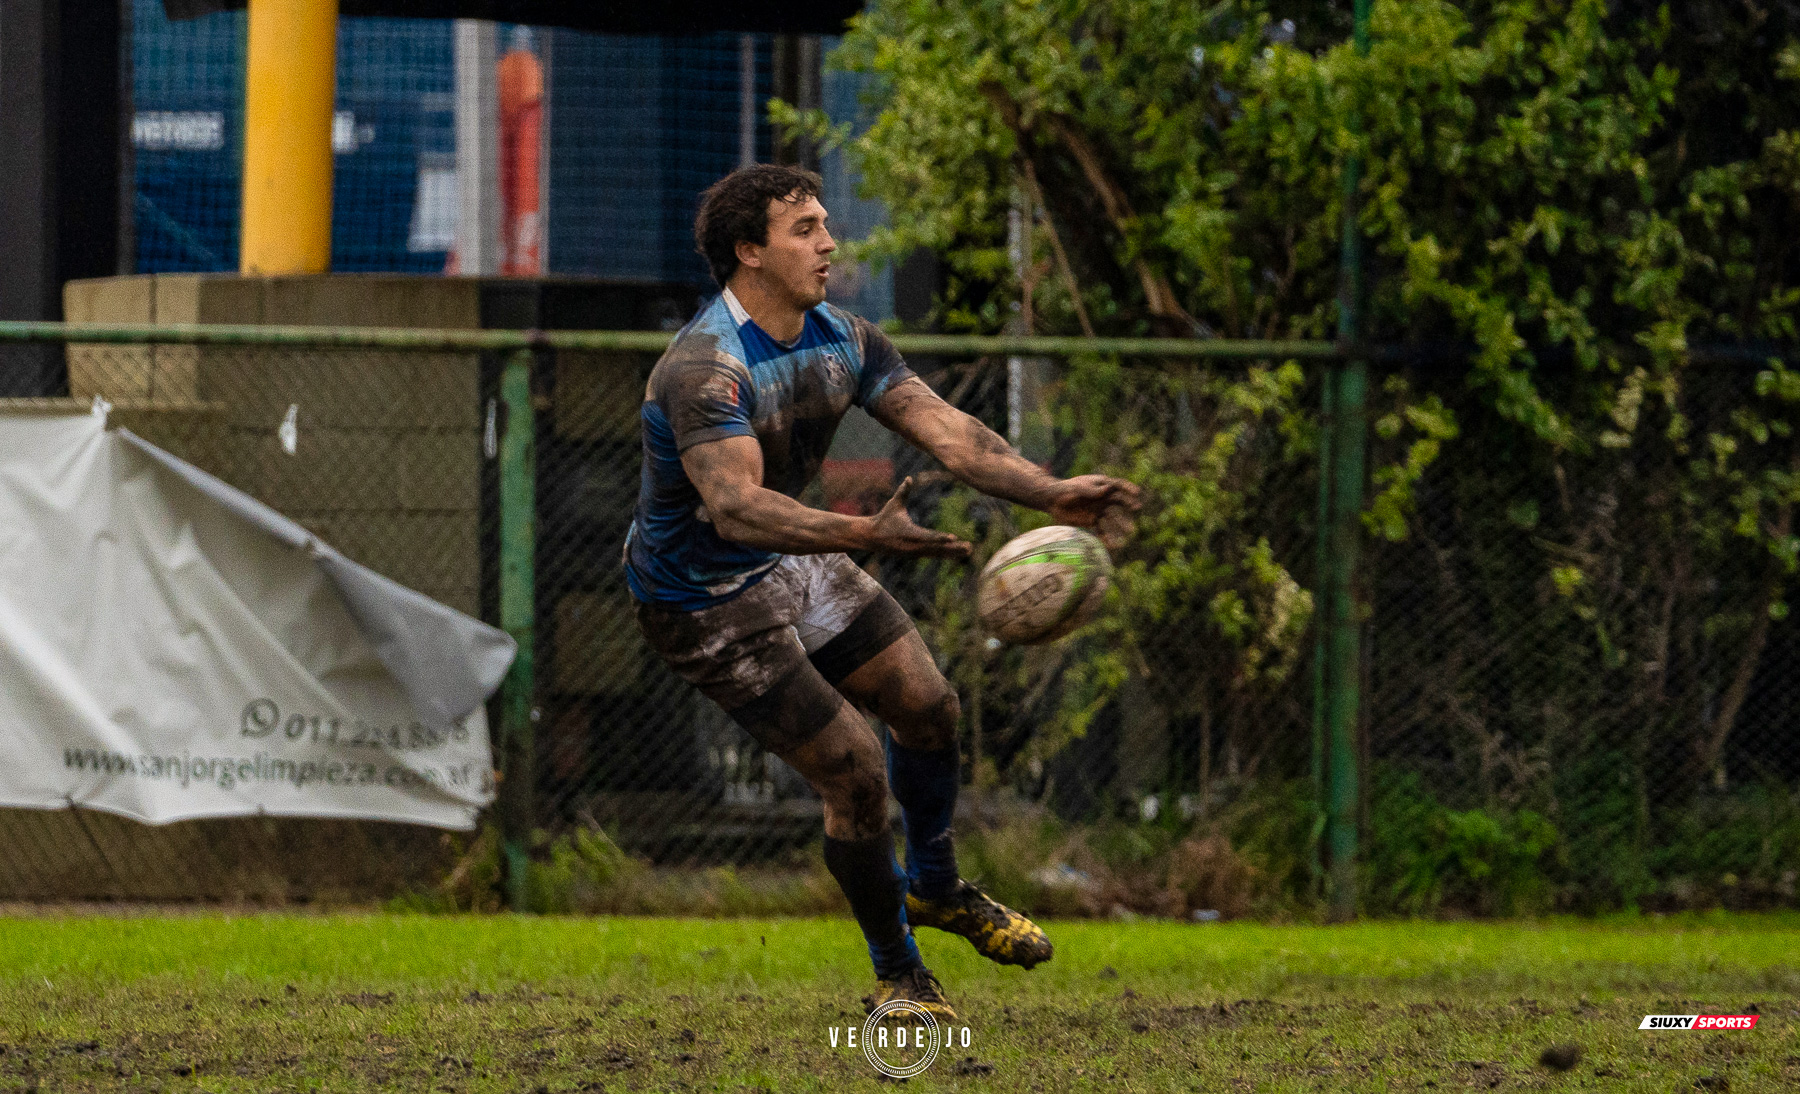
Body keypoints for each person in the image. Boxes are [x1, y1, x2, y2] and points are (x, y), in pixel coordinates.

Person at [624, 164, 1142, 1019]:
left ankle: (935, 887)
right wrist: (866, 534)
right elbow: (738, 507)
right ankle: (900, 977)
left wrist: (1051, 492)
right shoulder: (703, 369)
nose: (829, 242)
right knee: (856, 773)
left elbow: (952, 433)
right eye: (804, 229)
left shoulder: (846, 339)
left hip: (797, 556)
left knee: (929, 705)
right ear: (749, 251)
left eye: (826, 223)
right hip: (702, 599)